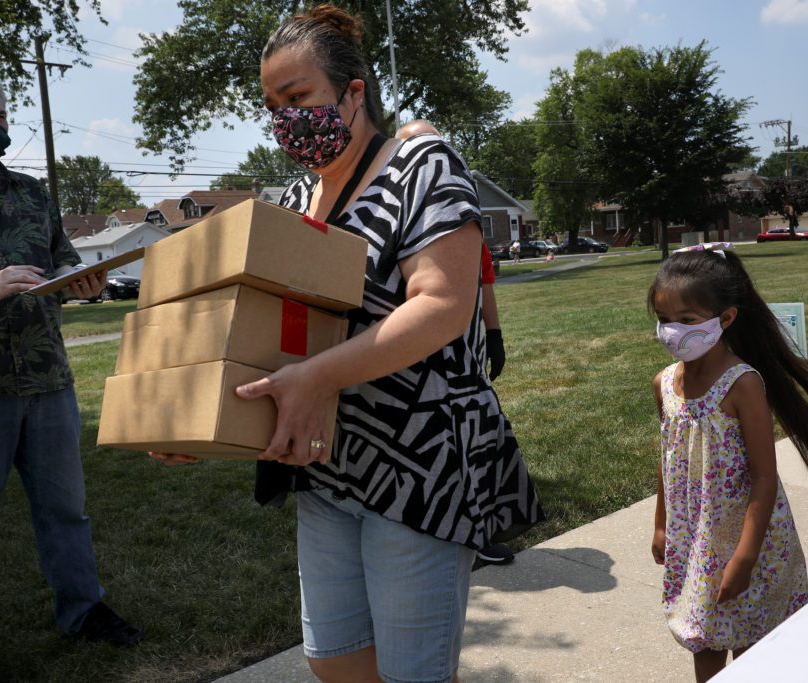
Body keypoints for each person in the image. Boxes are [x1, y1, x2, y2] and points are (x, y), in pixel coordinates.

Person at [153, 6, 542, 683]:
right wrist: (202, 421)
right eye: (272, 104)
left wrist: (320, 377)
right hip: (326, 465)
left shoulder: (423, 162)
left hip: (419, 465)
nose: (284, 117)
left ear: (353, 90)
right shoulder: (300, 197)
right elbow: (274, 336)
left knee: (413, 673)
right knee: (332, 659)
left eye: (298, 96)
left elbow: (445, 305)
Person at [0, 67, 143, 681]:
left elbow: (63, 264)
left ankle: (83, 611)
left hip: (47, 379)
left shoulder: (32, 194)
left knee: (65, 510)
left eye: (1, 116)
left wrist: (83, 283)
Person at [647, 242, 808, 682]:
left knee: (754, 640)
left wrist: (746, 556)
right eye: (664, 320)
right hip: (696, 536)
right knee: (703, 634)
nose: (672, 331)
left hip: (747, 538)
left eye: (687, 321)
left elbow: (764, 477)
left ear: (726, 318)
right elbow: (667, 461)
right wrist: (661, 523)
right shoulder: (664, 385)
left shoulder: (743, 384)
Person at [395, 120, 514, 567]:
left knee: (476, 439)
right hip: (414, 363)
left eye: (435, 146)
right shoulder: (392, 219)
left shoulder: (460, 218)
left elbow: (484, 281)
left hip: (466, 352)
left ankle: (477, 533)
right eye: (415, 147)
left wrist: (495, 335)